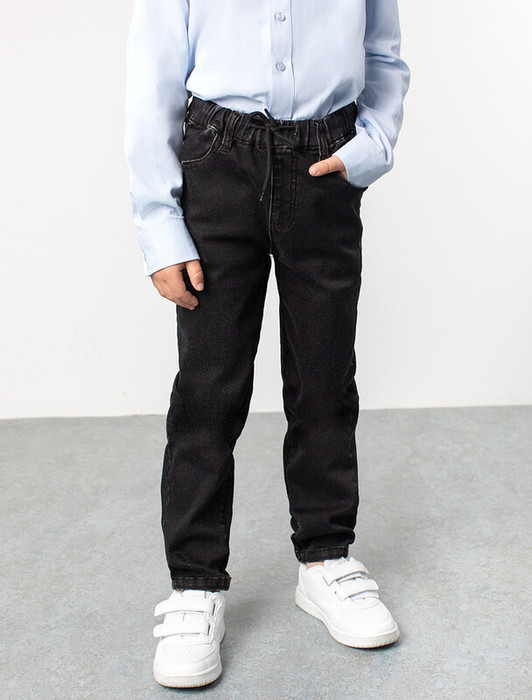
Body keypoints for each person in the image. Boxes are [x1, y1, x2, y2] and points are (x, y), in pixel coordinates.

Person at [124, 0, 410, 688]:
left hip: (325, 163)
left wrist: (371, 144)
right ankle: (194, 582)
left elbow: (383, 51)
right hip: (217, 161)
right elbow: (153, 74)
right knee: (208, 387)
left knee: (325, 377)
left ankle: (326, 557)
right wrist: (159, 224)